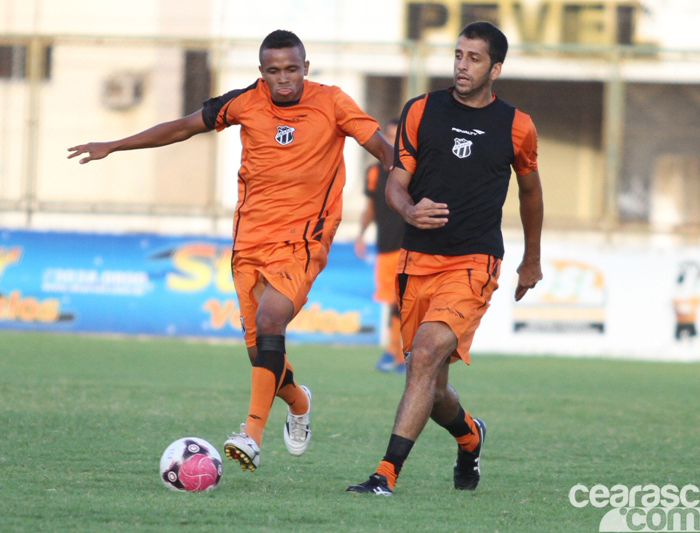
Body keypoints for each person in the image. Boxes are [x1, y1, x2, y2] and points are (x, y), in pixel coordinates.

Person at [68, 30, 394, 472]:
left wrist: (410, 179)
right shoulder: (244, 102)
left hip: (304, 240)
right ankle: (298, 402)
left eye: (292, 69)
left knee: (271, 319)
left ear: (306, 67)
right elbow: (183, 127)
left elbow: (379, 146)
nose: (284, 79)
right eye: (274, 70)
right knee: (260, 352)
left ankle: (251, 435)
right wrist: (115, 145)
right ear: (262, 73)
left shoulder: (333, 102)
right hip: (249, 244)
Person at [346, 21, 543, 495]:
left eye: (474, 58)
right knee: (429, 383)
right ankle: (470, 435)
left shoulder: (517, 126)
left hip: (474, 263)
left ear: (495, 69)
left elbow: (531, 193)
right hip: (417, 262)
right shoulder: (421, 111)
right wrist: (409, 208)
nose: (462, 65)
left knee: (428, 352)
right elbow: (396, 180)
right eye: (458, 55)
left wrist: (531, 260)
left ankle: (384, 475)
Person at [354, 119, 406, 373]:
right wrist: (361, 235)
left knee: (403, 301)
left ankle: (396, 354)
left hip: (409, 246)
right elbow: (371, 209)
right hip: (385, 247)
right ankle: (395, 353)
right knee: (392, 302)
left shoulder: (413, 170)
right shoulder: (375, 173)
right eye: (390, 136)